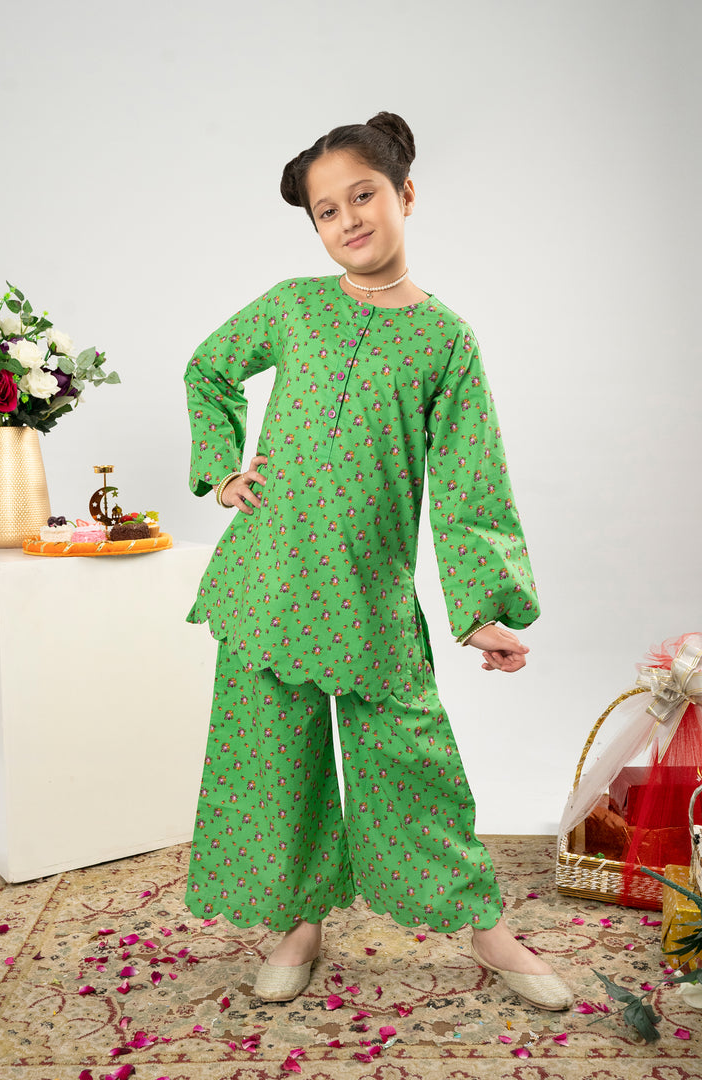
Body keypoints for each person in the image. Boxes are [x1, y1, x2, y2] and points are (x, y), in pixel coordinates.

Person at [183, 112, 573, 1012]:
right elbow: (208, 369)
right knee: (273, 761)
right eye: (327, 211)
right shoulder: (292, 306)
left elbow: (470, 481)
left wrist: (482, 608)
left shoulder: (446, 340)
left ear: (405, 193)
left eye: (362, 196)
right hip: (269, 581)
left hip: (369, 595)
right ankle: (297, 922)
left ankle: (484, 925)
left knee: (411, 760)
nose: (347, 219)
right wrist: (222, 469)